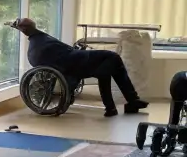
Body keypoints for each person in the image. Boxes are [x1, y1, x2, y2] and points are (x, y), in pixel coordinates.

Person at [11, 18, 148, 118]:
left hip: (74, 59)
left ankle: (114, 107)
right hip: (74, 62)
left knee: (105, 69)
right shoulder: (38, 44)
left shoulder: (39, 41)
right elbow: (54, 58)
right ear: (25, 29)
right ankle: (128, 102)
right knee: (112, 58)